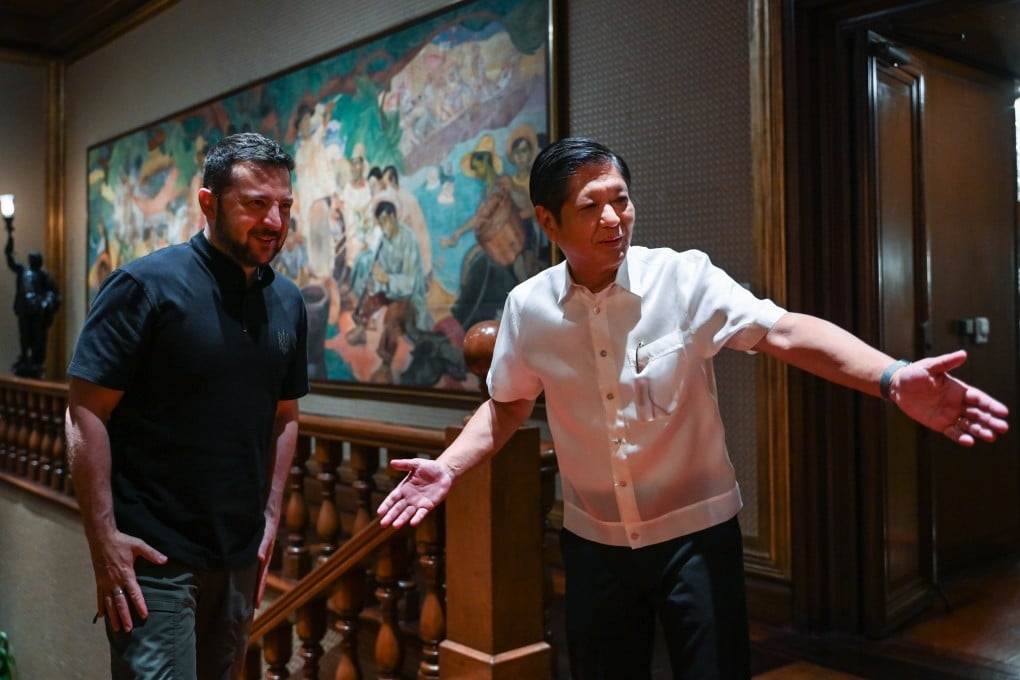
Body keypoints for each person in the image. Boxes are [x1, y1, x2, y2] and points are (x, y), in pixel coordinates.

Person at [377, 137, 1010, 679]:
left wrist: (892, 377)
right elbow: (507, 405)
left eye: (620, 198)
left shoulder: (683, 278)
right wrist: (451, 466)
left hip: (697, 541)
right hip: (593, 547)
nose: (614, 219)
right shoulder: (528, 309)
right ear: (548, 222)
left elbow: (782, 330)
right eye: (590, 206)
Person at [65, 132, 309, 679]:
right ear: (208, 202)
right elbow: (85, 412)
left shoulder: (288, 302)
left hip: (239, 557)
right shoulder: (145, 286)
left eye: (284, 206)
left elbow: (285, 416)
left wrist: (269, 522)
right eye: (255, 204)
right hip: (152, 559)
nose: (274, 221)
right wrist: (102, 538)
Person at [345, 191, 431, 384]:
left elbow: (409, 283)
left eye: (385, 221)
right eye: (380, 223)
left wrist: (386, 278)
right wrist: (377, 279)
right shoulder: (384, 240)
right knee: (370, 296)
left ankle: (385, 365)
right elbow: (380, 272)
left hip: (408, 295)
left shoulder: (408, 239)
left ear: (393, 217)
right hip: (391, 289)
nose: (383, 228)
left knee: (392, 316)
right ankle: (361, 327)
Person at [5, 222, 60, 378]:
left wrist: (46, 303)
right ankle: (24, 358)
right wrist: (9, 236)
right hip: (24, 310)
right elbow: (10, 260)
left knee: (37, 339)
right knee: (24, 337)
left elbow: (54, 293)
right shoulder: (23, 271)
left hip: (37, 312)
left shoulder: (43, 276)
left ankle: (35, 362)